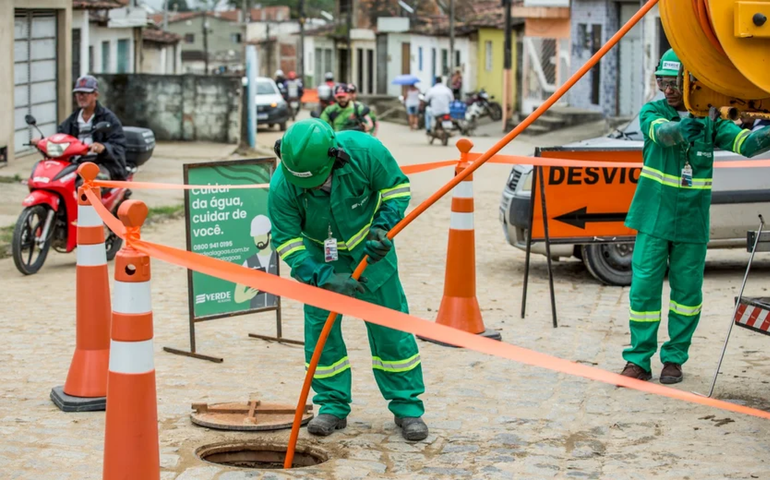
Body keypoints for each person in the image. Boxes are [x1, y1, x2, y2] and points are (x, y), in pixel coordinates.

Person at [268, 118, 428, 441]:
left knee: (391, 330)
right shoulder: (283, 184)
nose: (310, 190)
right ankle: (331, 405)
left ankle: (408, 408)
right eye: (304, 185)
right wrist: (322, 277)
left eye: (316, 181)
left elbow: (397, 188)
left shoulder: (364, 151)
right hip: (319, 261)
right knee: (321, 336)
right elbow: (286, 241)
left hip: (373, 255)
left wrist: (384, 225)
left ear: (335, 157)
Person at [620, 49, 770, 383]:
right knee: (643, 292)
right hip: (653, 219)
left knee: (687, 295)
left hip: (692, 222)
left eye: (674, 82)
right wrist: (682, 127)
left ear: (692, 82)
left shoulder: (711, 121)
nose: (668, 89)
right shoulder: (652, 112)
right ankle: (638, 360)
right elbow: (662, 133)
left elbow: (747, 143)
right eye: (663, 81)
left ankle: (674, 359)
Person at [34, 75, 127, 181]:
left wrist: (104, 148)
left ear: (95, 95)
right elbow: (60, 138)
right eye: (78, 93)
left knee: (92, 183)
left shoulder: (109, 119)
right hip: (74, 164)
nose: (81, 97)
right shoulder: (71, 120)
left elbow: (119, 146)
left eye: (85, 93)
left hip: (101, 164)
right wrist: (43, 142)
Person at [234, 215, 278, 309]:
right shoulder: (249, 263)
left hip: (274, 311)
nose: (259, 240)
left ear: (269, 236)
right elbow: (237, 296)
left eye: (261, 236)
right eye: (256, 237)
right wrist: (247, 295)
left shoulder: (277, 259)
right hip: (258, 316)